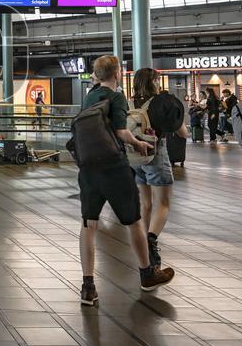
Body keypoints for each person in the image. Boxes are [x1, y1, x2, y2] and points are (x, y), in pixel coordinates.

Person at [77, 55, 175, 307]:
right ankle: (147, 273)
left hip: (88, 167)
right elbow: (121, 131)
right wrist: (139, 143)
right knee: (133, 221)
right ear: (117, 73)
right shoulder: (116, 97)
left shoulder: (89, 96)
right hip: (113, 166)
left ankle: (88, 286)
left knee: (89, 224)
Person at [130, 68, 188, 269]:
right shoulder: (160, 103)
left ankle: (145, 241)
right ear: (155, 81)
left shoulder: (129, 103)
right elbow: (182, 133)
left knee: (145, 204)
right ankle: (152, 240)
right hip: (156, 153)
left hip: (135, 157)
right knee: (163, 203)